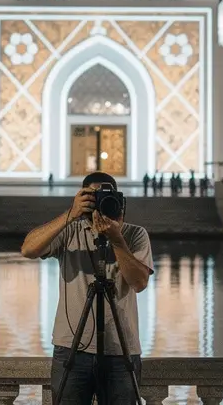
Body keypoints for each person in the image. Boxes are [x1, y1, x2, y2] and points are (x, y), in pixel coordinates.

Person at [21, 172, 154, 405]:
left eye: (108, 196)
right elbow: (28, 250)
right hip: (72, 347)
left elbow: (139, 283)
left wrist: (117, 239)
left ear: (120, 200)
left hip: (120, 350)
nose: (101, 203)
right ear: (81, 198)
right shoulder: (71, 229)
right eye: (93, 197)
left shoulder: (135, 234)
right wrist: (71, 214)